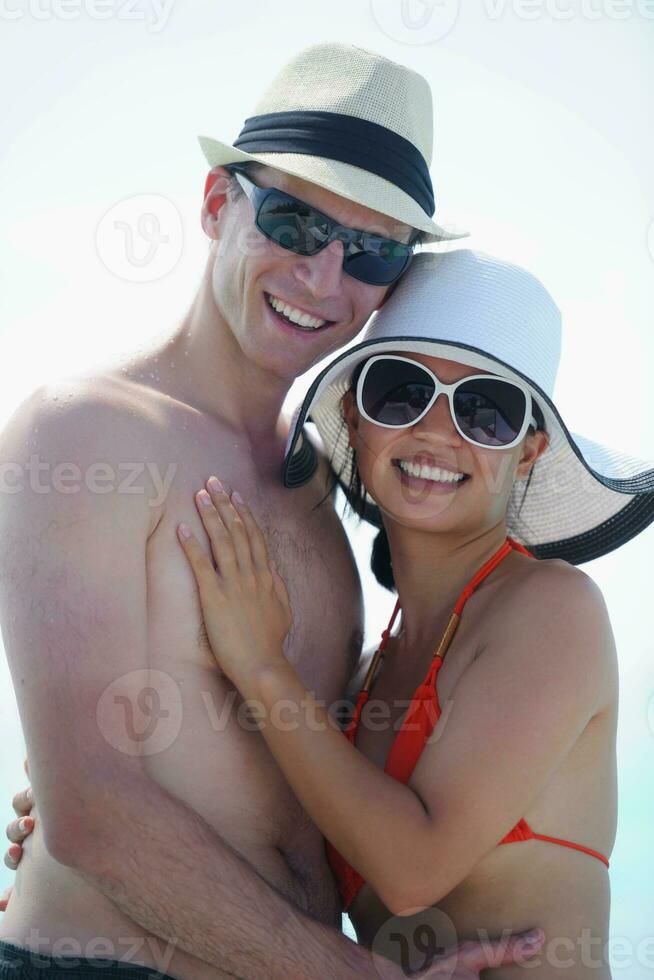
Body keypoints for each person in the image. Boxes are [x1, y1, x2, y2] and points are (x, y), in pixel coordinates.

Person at [0, 42, 543, 980]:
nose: (323, 279)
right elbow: (91, 815)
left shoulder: (325, 483)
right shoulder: (86, 433)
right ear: (217, 206)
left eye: (371, 251)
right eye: (293, 222)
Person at [73, 249, 651, 978]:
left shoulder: (553, 609)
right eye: (402, 392)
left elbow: (412, 871)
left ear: (528, 450)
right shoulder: (367, 678)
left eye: (485, 409)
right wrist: (98, 789)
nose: (439, 432)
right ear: (356, 415)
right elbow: (261, 819)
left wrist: (260, 667)